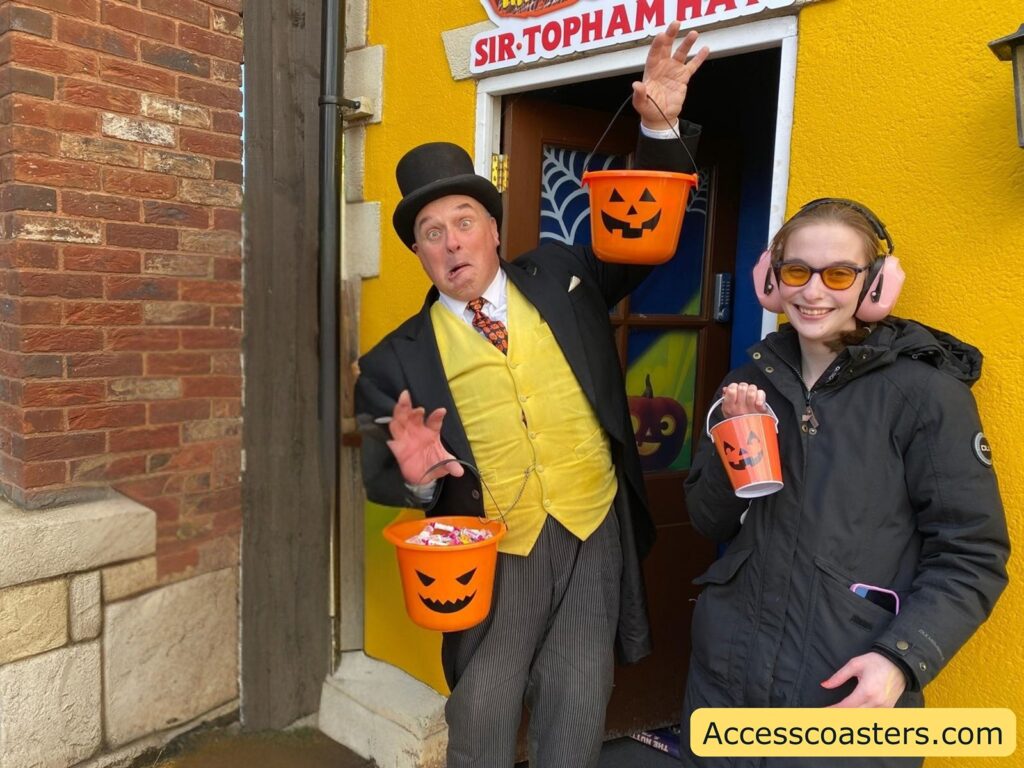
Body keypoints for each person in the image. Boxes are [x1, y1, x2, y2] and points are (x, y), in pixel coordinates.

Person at [355, 20, 708, 768]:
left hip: (593, 523)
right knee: (482, 704)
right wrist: (416, 481)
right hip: (492, 547)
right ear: (417, 252)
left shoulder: (563, 275)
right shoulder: (393, 361)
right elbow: (386, 477)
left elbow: (644, 238)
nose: (451, 243)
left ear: (491, 227)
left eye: (463, 222)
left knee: (579, 693)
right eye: (430, 232)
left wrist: (660, 129)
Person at [680, 198, 1010, 767]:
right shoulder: (747, 381)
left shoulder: (924, 396)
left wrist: (901, 660)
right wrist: (731, 448)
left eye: (838, 274)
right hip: (728, 677)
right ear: (770, 280)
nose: (813, 292)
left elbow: (973, 554)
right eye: (796, 271)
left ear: (876, 285)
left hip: (850, 685)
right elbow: (710, 520)